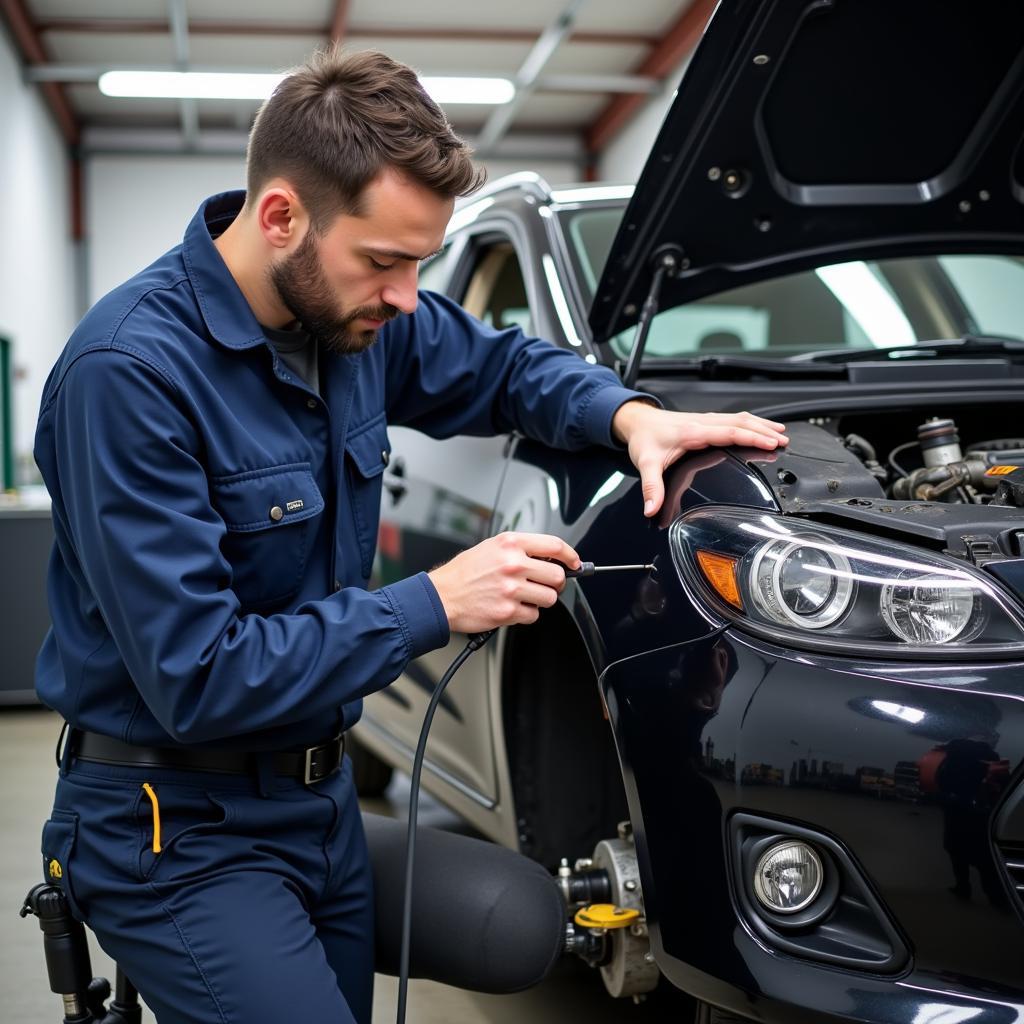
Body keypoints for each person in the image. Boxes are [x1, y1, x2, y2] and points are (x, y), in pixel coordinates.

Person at [33, 47, 788, 1024]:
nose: (404, 295)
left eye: (418, 263)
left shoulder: (351, 321)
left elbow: (506, 367)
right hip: (170, 827)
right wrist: (435, 600)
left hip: (321, 804)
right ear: (279, 218)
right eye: (384, 261)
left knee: (515, 925)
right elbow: (198, 675)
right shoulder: (129, 375)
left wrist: (628, 416)